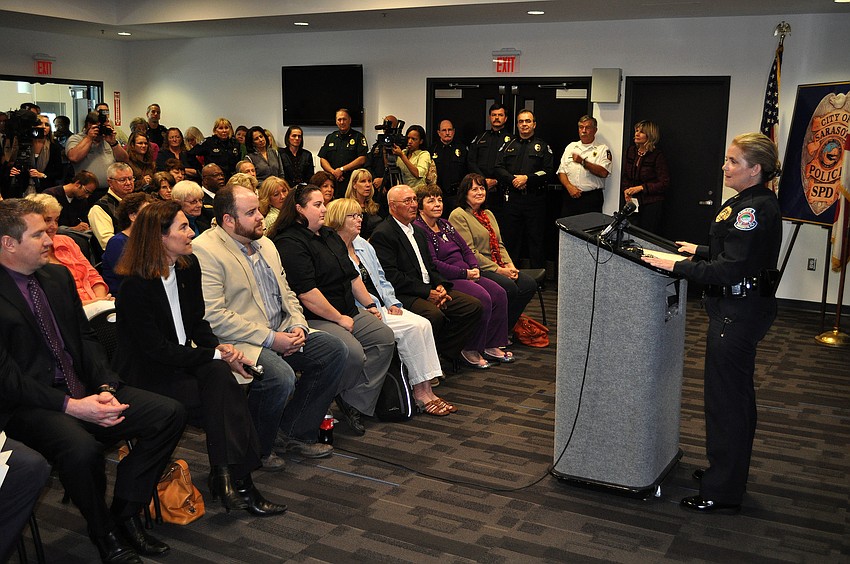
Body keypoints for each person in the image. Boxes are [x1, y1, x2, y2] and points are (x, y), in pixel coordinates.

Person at [0, 197, 186, 563]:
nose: (51, 241)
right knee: (82, 449)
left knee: (168, 414)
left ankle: (125, 513)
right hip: (29, 405)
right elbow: (6, 379)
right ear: (8, 243)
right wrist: (72, 406)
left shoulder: (56, 277)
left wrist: (105, 386)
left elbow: (84, 339)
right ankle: (103, 532)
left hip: (82, 389)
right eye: (39, 235)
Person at [113, 200, 287, 516]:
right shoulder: (135, 287)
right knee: (225, 395)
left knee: (223, 382)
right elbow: (156, 350)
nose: (191, 232)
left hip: (184, 364)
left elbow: (198, 323)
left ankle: (229, 477)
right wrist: (214, 353)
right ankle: (237, 481)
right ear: (159, 237)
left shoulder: (187, 268)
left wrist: (221, 352)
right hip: (150, 376)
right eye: (182, 227)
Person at [641, 132, 782, 514]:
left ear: (755, 169)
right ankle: (726, 472)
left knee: (727, 402)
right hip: (736, 308)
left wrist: (676, 264)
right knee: (730, 398)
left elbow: (730, 269)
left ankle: (723, 491)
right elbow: (738, 253)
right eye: (727, 159)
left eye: (733, 161)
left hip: (738, 312)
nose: (725, 166)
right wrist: (697, 250)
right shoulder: (748, 201)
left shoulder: (755, 208)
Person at [192, 185, 346, 463]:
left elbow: (287, 293)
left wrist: (298, 325)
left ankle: (293, 433)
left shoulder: (266, 243)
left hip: (282, 329)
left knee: (333, 350)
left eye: (259, 209)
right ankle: (258, 447)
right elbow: (215, 316)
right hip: (242, 340)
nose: (261, 216)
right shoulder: (206, 251)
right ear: (229, 220)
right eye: (251, 212)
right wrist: (272, 339)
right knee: (280, 377)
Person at [269, 184, 395, 435]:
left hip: (348, 309)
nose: (324, 209)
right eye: (317, 205)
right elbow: (307, 294)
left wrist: (369, 304)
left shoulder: (328, 236)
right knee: (353, 353)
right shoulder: (289, 242)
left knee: (384, 338)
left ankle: (352, 400)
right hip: (316, 317)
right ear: (298, 209)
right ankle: (318, 403)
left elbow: (352, 277)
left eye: (323, 204)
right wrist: (339, 318)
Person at [327, 198, 454, 415]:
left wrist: (392, 302)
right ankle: (420, 393)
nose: (360, 220)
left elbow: (382, 279)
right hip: (359, 310)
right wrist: (370, 308)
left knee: (423, 323)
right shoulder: (331, 250)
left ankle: (426, 389)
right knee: (412, 329)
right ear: (339, 219)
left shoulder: (363, 245)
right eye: (353, 216)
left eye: (360, 215)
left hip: (380, 304)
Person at [370, 185, 482, 364]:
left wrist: (440, 286)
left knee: (472, 306)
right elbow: (392, 277)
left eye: (414, 199)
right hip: (405, 293)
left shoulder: (419, 232)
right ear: (392, 206)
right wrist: (427, 293)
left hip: (429, 288)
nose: (413, 204)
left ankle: (442, 354)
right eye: (407, 201)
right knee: (434, 315)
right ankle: (426, 361)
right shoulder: (384, 234)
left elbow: (431, 266)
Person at [415, 185, 511, 368]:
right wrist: (464, 273)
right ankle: (469, 348)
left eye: (440, 200)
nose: (437, 204)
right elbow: (434, 263)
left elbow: (466, 250)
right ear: (420, 207)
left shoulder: (445, 224)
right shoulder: (420, 229)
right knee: (483, 297)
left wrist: (474, 267)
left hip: (467, 272)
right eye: (431, 201)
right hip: (449, 277)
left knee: (499, 293)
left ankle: (491, 344)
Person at [449, 174, 536, 332]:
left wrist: (510, 265)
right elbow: (470, 252)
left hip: (499, 264)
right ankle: (493, 332)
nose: (479, 192)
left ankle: (504, 329)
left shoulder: (488, 214)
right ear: (465, 192)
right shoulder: (458, 215)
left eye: (482, 188)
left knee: (528, 284)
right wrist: (500, 270)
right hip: (477, 267)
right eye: (474, 189)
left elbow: (499, 244)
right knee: (509, 287)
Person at [27, 193, 114, 316]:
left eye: (56, 220)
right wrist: (93, 304)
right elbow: (49, 302)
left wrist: (100, 301)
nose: (53, 226)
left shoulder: (66, 241)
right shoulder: (29, 254)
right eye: (47, 220)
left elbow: (93, 276)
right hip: (67, 314)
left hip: (98, 305)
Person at [493, 109, 554, 269]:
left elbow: (548, 171)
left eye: (528, 121)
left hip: (535, 200)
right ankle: (511, 274)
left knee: (536, 240)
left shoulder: (542, 146)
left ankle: (538, 279)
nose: (524, 124)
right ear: (517, 124)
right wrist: (513, 180)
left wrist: (528, 178)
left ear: (534, 124)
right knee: (511, 240)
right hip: (512, 200)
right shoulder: (508, 145)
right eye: (521, 121)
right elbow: (498, 167)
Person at [621, 120, 670, 233]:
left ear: (650, 135)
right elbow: (626, 176)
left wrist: (641, 187)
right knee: (630, 232)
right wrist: (626, 191)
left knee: (647, 234)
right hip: (632, 201)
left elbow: (664, 183)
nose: (637, 134)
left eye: (641, 132)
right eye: (636, 131)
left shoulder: (657, 155)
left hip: (651, 203)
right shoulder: (631, 151)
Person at [558, 115, 612, 217]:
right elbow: (561, 171)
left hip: (591, 199)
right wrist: (569, 187)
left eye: (587, 127)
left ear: (595, 130)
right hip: (570, 197)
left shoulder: (603, 149)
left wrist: (583, 162)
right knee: (567, 230)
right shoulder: (571, 147)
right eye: (581, 127)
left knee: (589, 230)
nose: (583, 130)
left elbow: (604, 172)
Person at [468, 103, 512, 218]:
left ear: (505, 118)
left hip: (502, 190)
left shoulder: (512, 140)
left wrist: (497, 181)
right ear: (489, 117)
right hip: (480, 188)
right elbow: (471, 161)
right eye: (494, 115)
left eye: (500, 115)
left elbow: (512, 166)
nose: (496, 118)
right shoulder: (480, 138)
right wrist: (483, 181)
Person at [101, 192, 151, 295]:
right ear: (133, 216)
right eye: (147, 212)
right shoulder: (117, 243)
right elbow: (131, 276)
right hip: (124, 296)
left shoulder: (148, 239)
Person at [65, 110, 129, 188]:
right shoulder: (76, 139)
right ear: (89, 125)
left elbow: (124, 160)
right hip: (85, 191)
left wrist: (113, 143)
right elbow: (74, 157)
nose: (102, 129)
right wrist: (89, 138)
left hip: (109, 189)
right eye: (100, 127)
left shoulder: (108, 140)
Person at [7, 114, 64, 194]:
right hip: (22, 187)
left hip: (45, 189)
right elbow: (13, 163)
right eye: (40, 124)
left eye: (47, 125)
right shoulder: (24, 143)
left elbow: (59, 172)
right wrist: (13, 170)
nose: (43, 127)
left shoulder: (54, 147)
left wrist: (42, 175)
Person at [318, 108, 368, 198]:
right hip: (334, 182)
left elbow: (362, 159)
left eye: (344, 119)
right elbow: (322, 159)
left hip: (352, 182)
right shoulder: (331, 137)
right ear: (336, 121)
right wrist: (334, 172)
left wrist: (341, 170)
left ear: (350, 120)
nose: (342, 122)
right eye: (339, 119)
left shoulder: (358, 137)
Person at [88, 162, 135, 251]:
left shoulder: (137, 202)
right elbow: (109, 243)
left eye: (130, 178)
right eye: (122, 180)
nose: (128, 183)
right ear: (110, 182)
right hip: (118, 257)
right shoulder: (99, 208)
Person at [430, 119, 468, 215]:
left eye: (449, 130)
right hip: (437, 195)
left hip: (456, 195)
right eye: (444, 130)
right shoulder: (432, 149)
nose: (447, 133)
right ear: (439, 133)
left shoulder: (462, 149)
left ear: (454, 131)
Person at [344, 168, 383, 239]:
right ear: (354, 185)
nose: (368, 185)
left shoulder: (374, 206)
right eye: (363, 181)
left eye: (369, 181)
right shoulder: (346, 207)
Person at [393, 125, 432, 191]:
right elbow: (390, 167)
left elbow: (418, 174)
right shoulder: (403, 152)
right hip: (402, 192)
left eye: (414, 139)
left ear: (421, 141)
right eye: (408, 138)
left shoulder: (424, 154)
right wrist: (385, 151)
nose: (410, 142)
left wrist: (402, 156)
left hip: (417, 193)